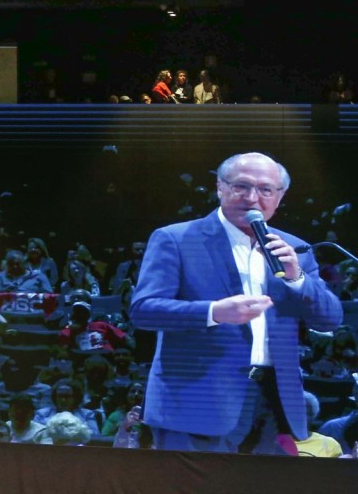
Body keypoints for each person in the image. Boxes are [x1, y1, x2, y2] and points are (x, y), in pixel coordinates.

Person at [130, 152, 343, 455]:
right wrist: (214, 312)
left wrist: (297, 278)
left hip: (275, 404)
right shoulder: (175, 239)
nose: (253, 198)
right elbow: (143, 310)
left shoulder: (295, 248)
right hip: (196, 403)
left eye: (265, 189)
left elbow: (330, 319)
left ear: (280, 196)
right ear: (220, 187)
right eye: (242, 186)